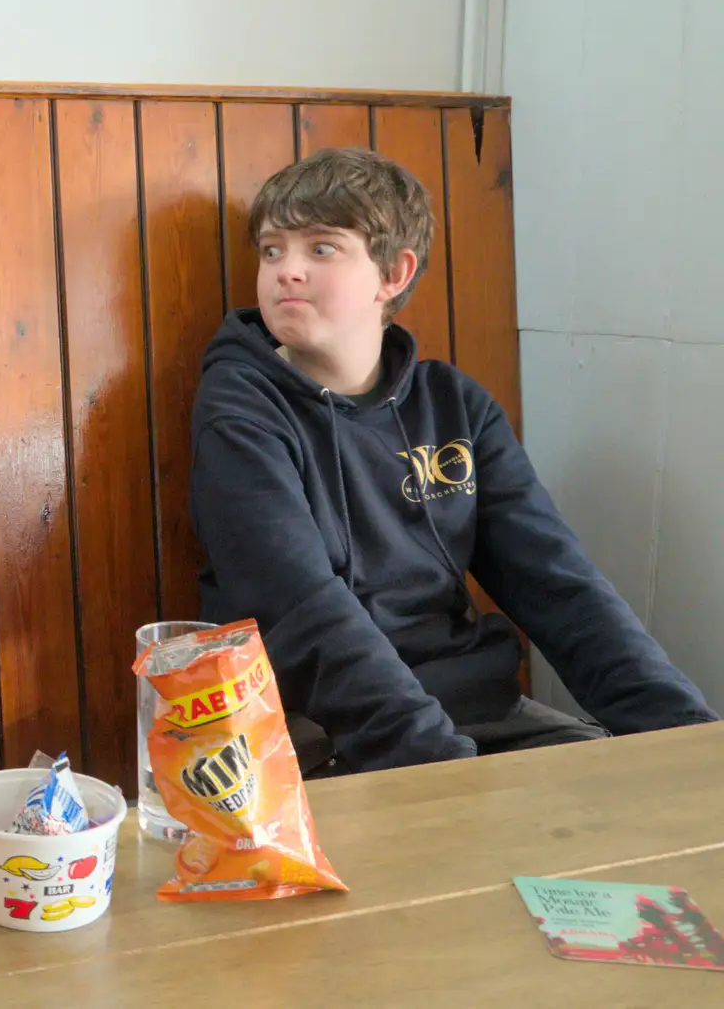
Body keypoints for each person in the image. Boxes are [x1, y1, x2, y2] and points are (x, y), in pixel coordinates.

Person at [189, 147, 716, 776]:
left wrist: (688, 741)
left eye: (321, 248)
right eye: (272, 250)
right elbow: (300, 610)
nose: (286, 271)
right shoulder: (239, 408)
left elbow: (558, 583)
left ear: (394, 274)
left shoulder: (455, 405)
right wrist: (448, 772)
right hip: (325, 737)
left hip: (480, 718)